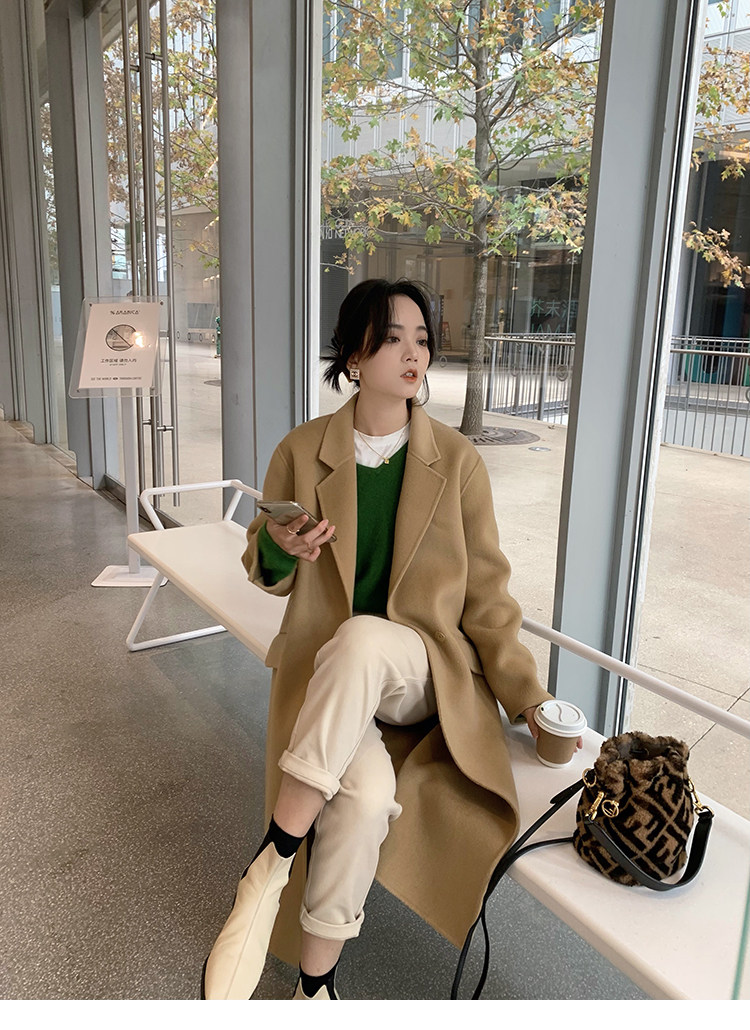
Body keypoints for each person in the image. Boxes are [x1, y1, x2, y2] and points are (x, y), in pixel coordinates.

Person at [202, 278, 574, 1001]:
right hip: (333, 684)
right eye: (393, 338)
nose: (414, 354)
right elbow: (263, 569)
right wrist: (281, 545)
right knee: (365, 800)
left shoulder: (457, 461)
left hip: (421, 674)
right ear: (353, 354)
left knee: (367, 638)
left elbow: (488, 596)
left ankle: (271, 859)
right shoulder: (302, 450)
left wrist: (529, 697)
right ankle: (316, 989)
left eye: (422, 339)